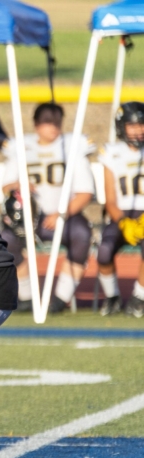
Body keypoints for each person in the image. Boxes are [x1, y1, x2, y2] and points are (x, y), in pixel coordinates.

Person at [1, 102, 95, 313]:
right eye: (46, 122)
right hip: (27, 216)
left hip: (64, 215)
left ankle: (60, 298)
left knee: (81, 235)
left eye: (56, 122)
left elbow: (85, 192)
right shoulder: (21, 148)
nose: (52, 126)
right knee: (6, 240)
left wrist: (61, 213)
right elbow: (6, 186)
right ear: (36, 124)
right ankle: (26, 296)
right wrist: (19, 186)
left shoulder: (72, 147)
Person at [97, 102, 144, 317]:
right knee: (104, 250)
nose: (139, 130)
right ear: (121, 127)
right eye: (133, 126)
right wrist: (124, 222)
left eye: (142, 125)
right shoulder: (112, 153)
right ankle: (112, 296)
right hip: (121, 215)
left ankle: (139, 297)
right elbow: (110, 199)